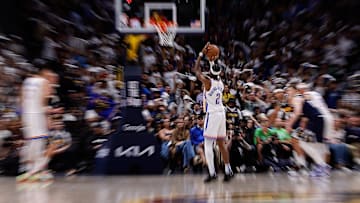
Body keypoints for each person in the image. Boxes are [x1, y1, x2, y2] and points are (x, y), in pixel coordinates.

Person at [194, 42, 233, 182]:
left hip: (212, 114)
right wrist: (213, 58)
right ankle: (228, 170)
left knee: (208, 144)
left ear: (210, 71)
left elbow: (196, 70)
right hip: (222, 112)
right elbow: (215, 69)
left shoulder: (207, 82)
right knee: (221, 143)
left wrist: (201, 54)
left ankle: (212, 173)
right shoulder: (220, 83)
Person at [17, 66, 61, 182]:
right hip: (37, 115)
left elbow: (21, 101)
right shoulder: (44, 82)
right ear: (45, 73)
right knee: (40, 142)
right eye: (52, 76)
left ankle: (28, 171)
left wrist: (22, 117)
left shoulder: (26, 81)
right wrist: (52, 112)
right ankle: (35, 172)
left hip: (27, 115)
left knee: (31, 143)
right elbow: (43, 104)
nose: (53, 79)